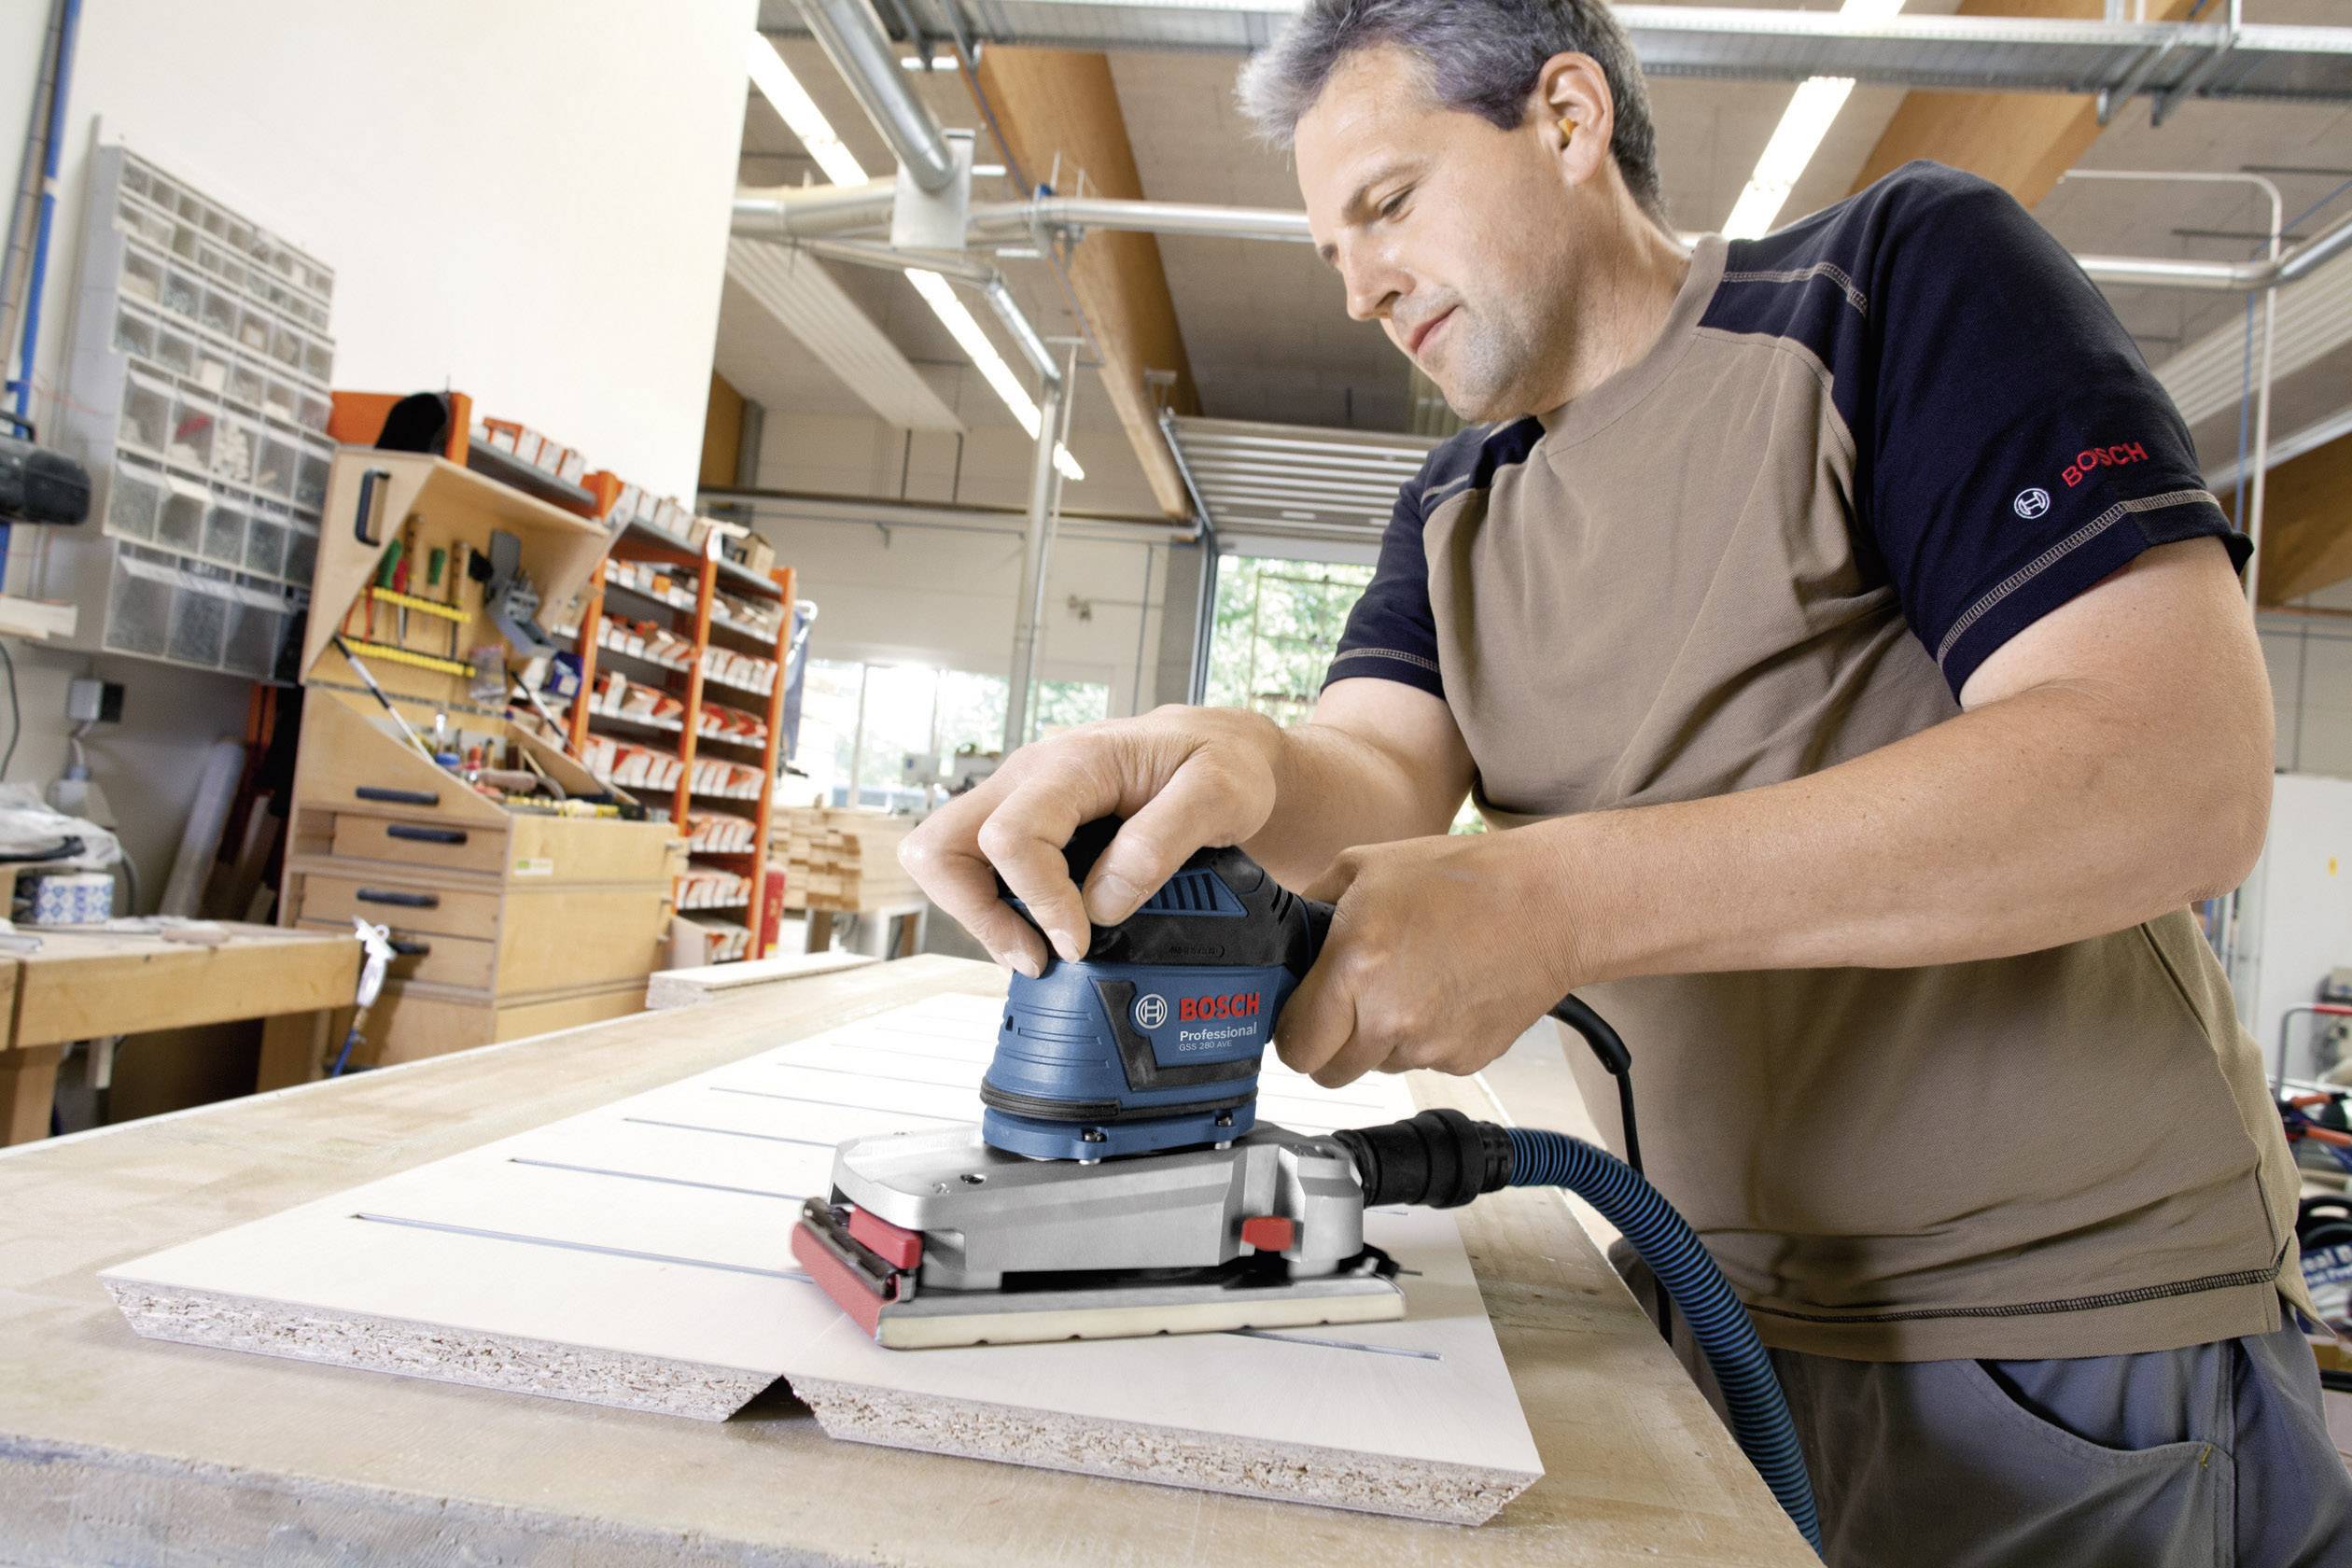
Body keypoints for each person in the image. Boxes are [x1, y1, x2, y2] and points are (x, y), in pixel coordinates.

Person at [897, 1, 2352, 1561]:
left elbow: (2172, 770)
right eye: (1335, 253)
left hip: (2067, 1331)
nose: (1364, 287)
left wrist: (1556, 897)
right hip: (1700, 1314)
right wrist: (1233, 758)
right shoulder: (1456, 501)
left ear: (1571, 119)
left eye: (1388, 206)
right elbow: (1376, 776)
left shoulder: (1885, 285)